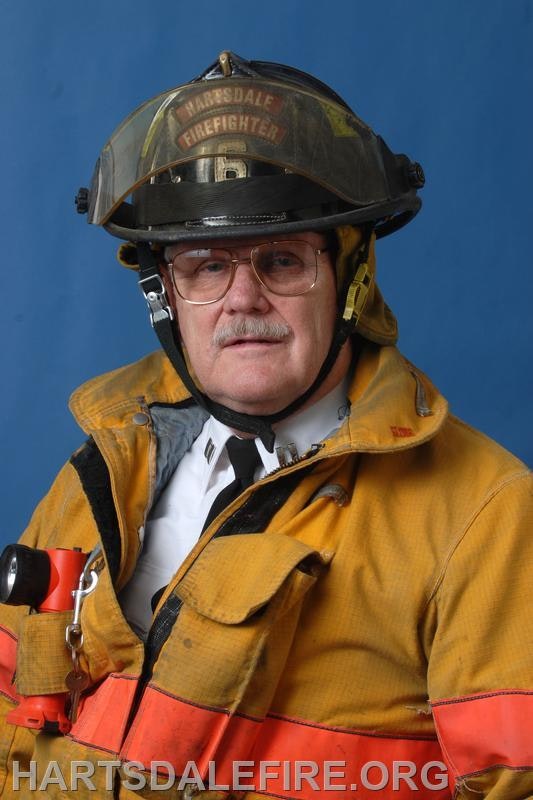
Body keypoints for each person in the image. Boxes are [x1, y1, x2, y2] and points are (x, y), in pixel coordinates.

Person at [0, 51, 531, 799]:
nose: (241, 299)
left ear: (351, 280)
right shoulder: (105, 466)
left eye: (282, 261)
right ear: (166, 294)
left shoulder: (484, 512)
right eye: (205, 267)